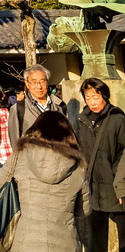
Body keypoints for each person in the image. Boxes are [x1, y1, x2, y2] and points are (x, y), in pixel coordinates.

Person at [0, 111, 88, 252]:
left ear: (36, 131)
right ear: (69, 135)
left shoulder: (20, 156)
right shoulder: (79, 166)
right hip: (65, 243)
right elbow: (84, 210)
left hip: (24, 242)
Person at [73, 77, 125, 252]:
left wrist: (122, 183)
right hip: (92, 185)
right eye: (88, 97)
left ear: (104, 95)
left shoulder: (117, 119)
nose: (92, 102)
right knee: (95, 239)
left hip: (116, 184)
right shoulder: (81, 121)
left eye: (96, 97)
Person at [8, 64, 67, 143]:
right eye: (34, 82)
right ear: (27, 84)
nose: (39, 86)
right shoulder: (18, 109)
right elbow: (15, 142)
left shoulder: (59, 106)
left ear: (47, 82)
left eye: (42, 81)